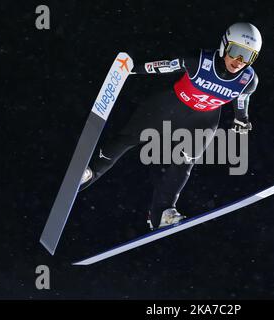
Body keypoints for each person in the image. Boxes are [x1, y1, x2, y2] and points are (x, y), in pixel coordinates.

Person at [79, 22, 262, 230]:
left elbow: (242, 97)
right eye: (236, 51)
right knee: (128, 139)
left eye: (248, 56)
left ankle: (162, 212)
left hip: (202, 121)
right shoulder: (198, 60)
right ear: (224, 45)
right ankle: (90, 172)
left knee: (186, 161)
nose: (239, 61)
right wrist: (130, 71)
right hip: (171, 107)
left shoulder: (249, 80)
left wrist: (241, 118)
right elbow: (163, 66)